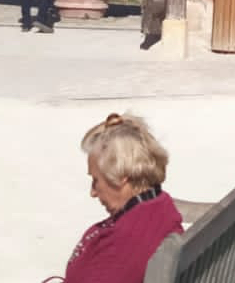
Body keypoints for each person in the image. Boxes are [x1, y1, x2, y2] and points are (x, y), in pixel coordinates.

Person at [53, 113, 185, 283]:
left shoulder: (124, 243)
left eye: (96, 180)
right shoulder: (161, 207)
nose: (93, 192)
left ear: (121, 176)